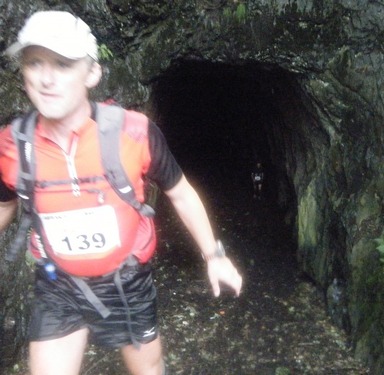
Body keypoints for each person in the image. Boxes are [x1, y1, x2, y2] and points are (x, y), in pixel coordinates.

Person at [0, 10, 242, 375]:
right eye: (35, 63)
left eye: (64, 64)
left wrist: (214, 255)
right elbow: (4, 205)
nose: (47, 79)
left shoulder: (134, 133)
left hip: (126, 280)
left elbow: (181, 193)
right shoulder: (13, 145)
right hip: (57, 284)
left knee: (148, 369)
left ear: (92, 73)